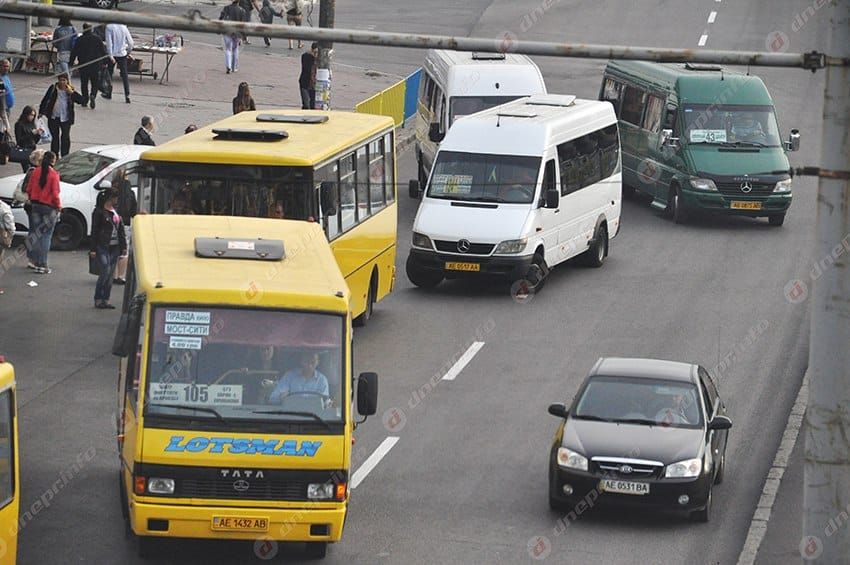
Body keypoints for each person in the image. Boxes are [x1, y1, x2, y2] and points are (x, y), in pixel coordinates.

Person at [89, 186, 127, 309]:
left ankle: (105, 299)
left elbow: (120, 229)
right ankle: (98, 298)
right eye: (116, 198)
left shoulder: (116, 211)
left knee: (110, 275)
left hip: (115, 246)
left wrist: (123, 246)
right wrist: (93, 248)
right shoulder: (99, 212)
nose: (117, 200)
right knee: (105, 270)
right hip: (103, 245)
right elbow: (94, 230)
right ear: (111, 198)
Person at [25, 151, 60, 274]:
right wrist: (59, 206)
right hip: (49, 207)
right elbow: (55, 194)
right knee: (46, 235)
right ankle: (42, 264)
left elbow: (29, 189)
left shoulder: (36, 171)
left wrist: (32, 198)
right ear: (53, 160)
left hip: (35, 205)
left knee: (35, 233)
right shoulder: (54, 175)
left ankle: (32, 261)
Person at [38, 73, 86, 157]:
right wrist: (41, 112)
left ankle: (65, 155)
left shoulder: (70, 90)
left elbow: (82, 101)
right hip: (53, 117)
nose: (62, 82)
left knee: (65, 138)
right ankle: (54, 155)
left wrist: (72, 93)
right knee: (54, 137)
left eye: (64, 80)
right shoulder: (53, 88)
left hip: (66, 118)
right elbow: (45, 99)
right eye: (60, 80)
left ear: (67, 81)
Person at [70, 23, 108, 110]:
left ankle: (85, 99)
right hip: (95, 65)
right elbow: (103, 51)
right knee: (95, 83)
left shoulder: (80, 39)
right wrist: (105, 62)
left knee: (84, 83)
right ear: (91, 29)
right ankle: (93, 95)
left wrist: (71, 63)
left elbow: (74, 52)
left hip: (83, 65)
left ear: (83, 29)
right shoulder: (97, 39)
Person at [110, 167, 137, 285]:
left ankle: (112, 274)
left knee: (111, 248)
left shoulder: (111, 191)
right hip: (125, 222)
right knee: (123, 249)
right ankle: (121, 276)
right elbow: (133, 211)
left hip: (111, 222)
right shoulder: (130, 193)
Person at [105, 22, 134, 104]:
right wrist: (128, 52)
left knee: (109, 73)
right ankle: (127, 95)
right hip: (122, 54)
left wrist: (110, 55)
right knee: (124, 75)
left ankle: (108, 92)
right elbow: (131, 43)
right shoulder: (124, 27)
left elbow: (109, 43)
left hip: (113, 54)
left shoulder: (109, 27)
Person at [219, 0, 246, 74]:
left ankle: (229, 66)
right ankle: (234, 68)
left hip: (227, 31)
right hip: (237, 33)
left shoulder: (226, 8)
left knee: (228, 49)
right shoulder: (242, 11)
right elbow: (243, 25)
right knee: (235, 49)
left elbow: (221, 19)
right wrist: (243, 37)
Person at [13, 106, 42, 173]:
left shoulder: (32, 124)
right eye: (31, 115)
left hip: (32, 149)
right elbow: (19, 140)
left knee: (35, 168)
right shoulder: (19, 125)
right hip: (24, 149)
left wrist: (38, 134)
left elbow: (35, 140)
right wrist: (31, 133)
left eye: (33, 115)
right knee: (27, 170)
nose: (32, 117)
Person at [299, 43, 318, 110]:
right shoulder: (306, 56)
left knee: (313, 105)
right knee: (306, 104)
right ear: (312, 50)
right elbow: (306, 68)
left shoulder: (321, 59)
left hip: (315, 85)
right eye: (315, 52)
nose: (316, 54)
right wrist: (313, 57)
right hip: (305, 83)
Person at [0, 59, 15, 134]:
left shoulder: (6, 77)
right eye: (5, 66)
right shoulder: (0, 80)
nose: (7, 68)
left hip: (7, 109)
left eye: (8, 66)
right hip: (3, 111)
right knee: (4, 131)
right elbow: (1, 103)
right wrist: (6, 123)